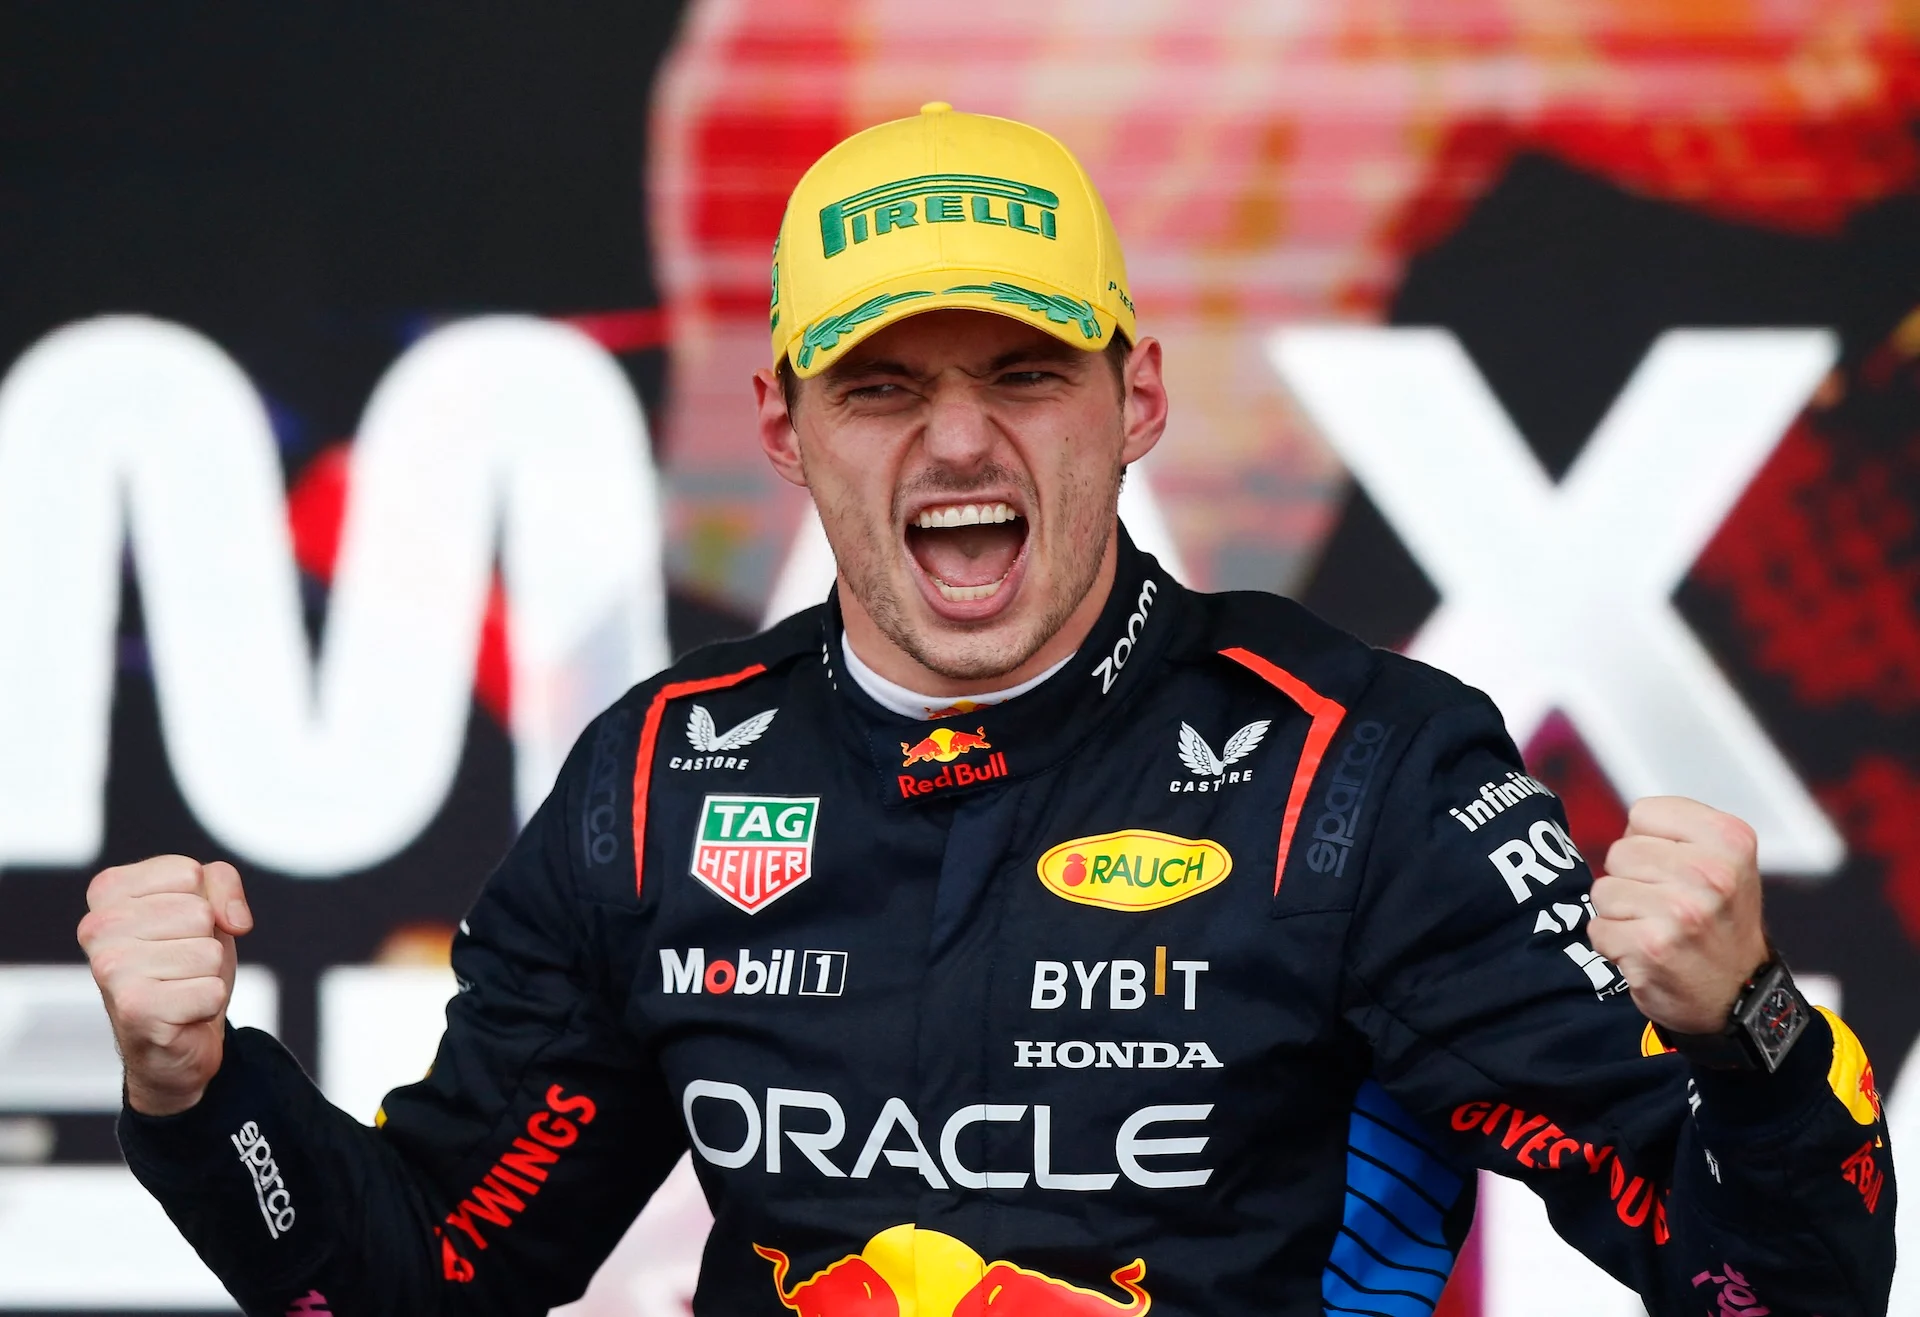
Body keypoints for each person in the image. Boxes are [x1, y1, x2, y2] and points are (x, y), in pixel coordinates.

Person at [81, 103, 1894, 1317]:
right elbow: (413, 1283)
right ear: (786, 432)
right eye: (884, 386)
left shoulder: (1364, 775)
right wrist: (192, 1090)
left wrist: (1743, 1028)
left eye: (1025, 369)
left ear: (1138, 398)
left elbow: (1775, 1293)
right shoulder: (658, 781)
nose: (959, 441)